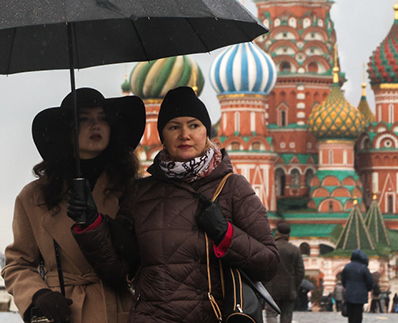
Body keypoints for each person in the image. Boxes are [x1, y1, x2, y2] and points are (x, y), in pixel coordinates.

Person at [70, 86, 280, 323]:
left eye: (194, 125)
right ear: (162, 136)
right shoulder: (140, 193)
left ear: (206, 132)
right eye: (173, 127)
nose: (184, 135)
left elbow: (269, 264)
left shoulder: (233, 188)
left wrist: (225, 233)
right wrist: (91, 224)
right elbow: (118, 270)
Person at [3, 88, 145, 323]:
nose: (95, 126)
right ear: (67, 132)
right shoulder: (34, 197)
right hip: (66, 312)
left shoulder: (132, 190)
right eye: (84, 120)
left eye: (102, 119)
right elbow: (18, 263)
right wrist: (38, 295)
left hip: (121, 310)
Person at [265, 222, 305, 323]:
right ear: (289, 235)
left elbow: (263, 267)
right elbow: (300, 271)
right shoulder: (295, 250)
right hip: (289, 289)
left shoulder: (270, 248)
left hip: (271, 288)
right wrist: (295, 286)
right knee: (286, 316)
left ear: (277, 233)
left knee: (271, 314)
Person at [341, 249, 374, 323]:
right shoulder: (364, 268)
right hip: (360, 295)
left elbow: (343, 279)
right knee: (358, 314)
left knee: (351, 314)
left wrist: (347, 287)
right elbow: (369, 281)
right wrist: (368, 289)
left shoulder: (347, 267)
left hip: (349, 294)